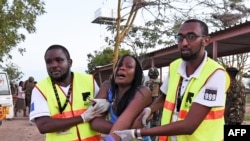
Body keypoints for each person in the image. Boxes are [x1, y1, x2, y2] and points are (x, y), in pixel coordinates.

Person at [114, 19, 231, 141]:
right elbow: (165, 97)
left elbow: (189, 126)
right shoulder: (175, 66)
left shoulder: (215, 74)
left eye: (191, 36)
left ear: (206, 40)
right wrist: (149, 109)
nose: (184, 43)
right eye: (180, 38)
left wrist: (137, 133)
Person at [29, 44, 110, 141]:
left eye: (59, 60)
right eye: (49, 62)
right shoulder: (40, 89)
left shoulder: (89, 81)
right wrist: (83, 118)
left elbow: (100, 114)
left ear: (70, 62)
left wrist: (105, 106)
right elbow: (44, 125)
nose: (54, 65)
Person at [90, 54, 152, 141]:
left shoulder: (143, 92)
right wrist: (131, 130)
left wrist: (116, 130)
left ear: (136, 74)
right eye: (119, 65)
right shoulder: (107, 87)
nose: (121, 68)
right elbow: (94, 122)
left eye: (129, 66)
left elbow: (126, 120)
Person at [144, 67, 161, 141]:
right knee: (156, 125)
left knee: (148, 126)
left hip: (148, 106)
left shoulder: (147, 83)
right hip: (155, 106)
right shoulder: (158, 83)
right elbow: (156, 97)